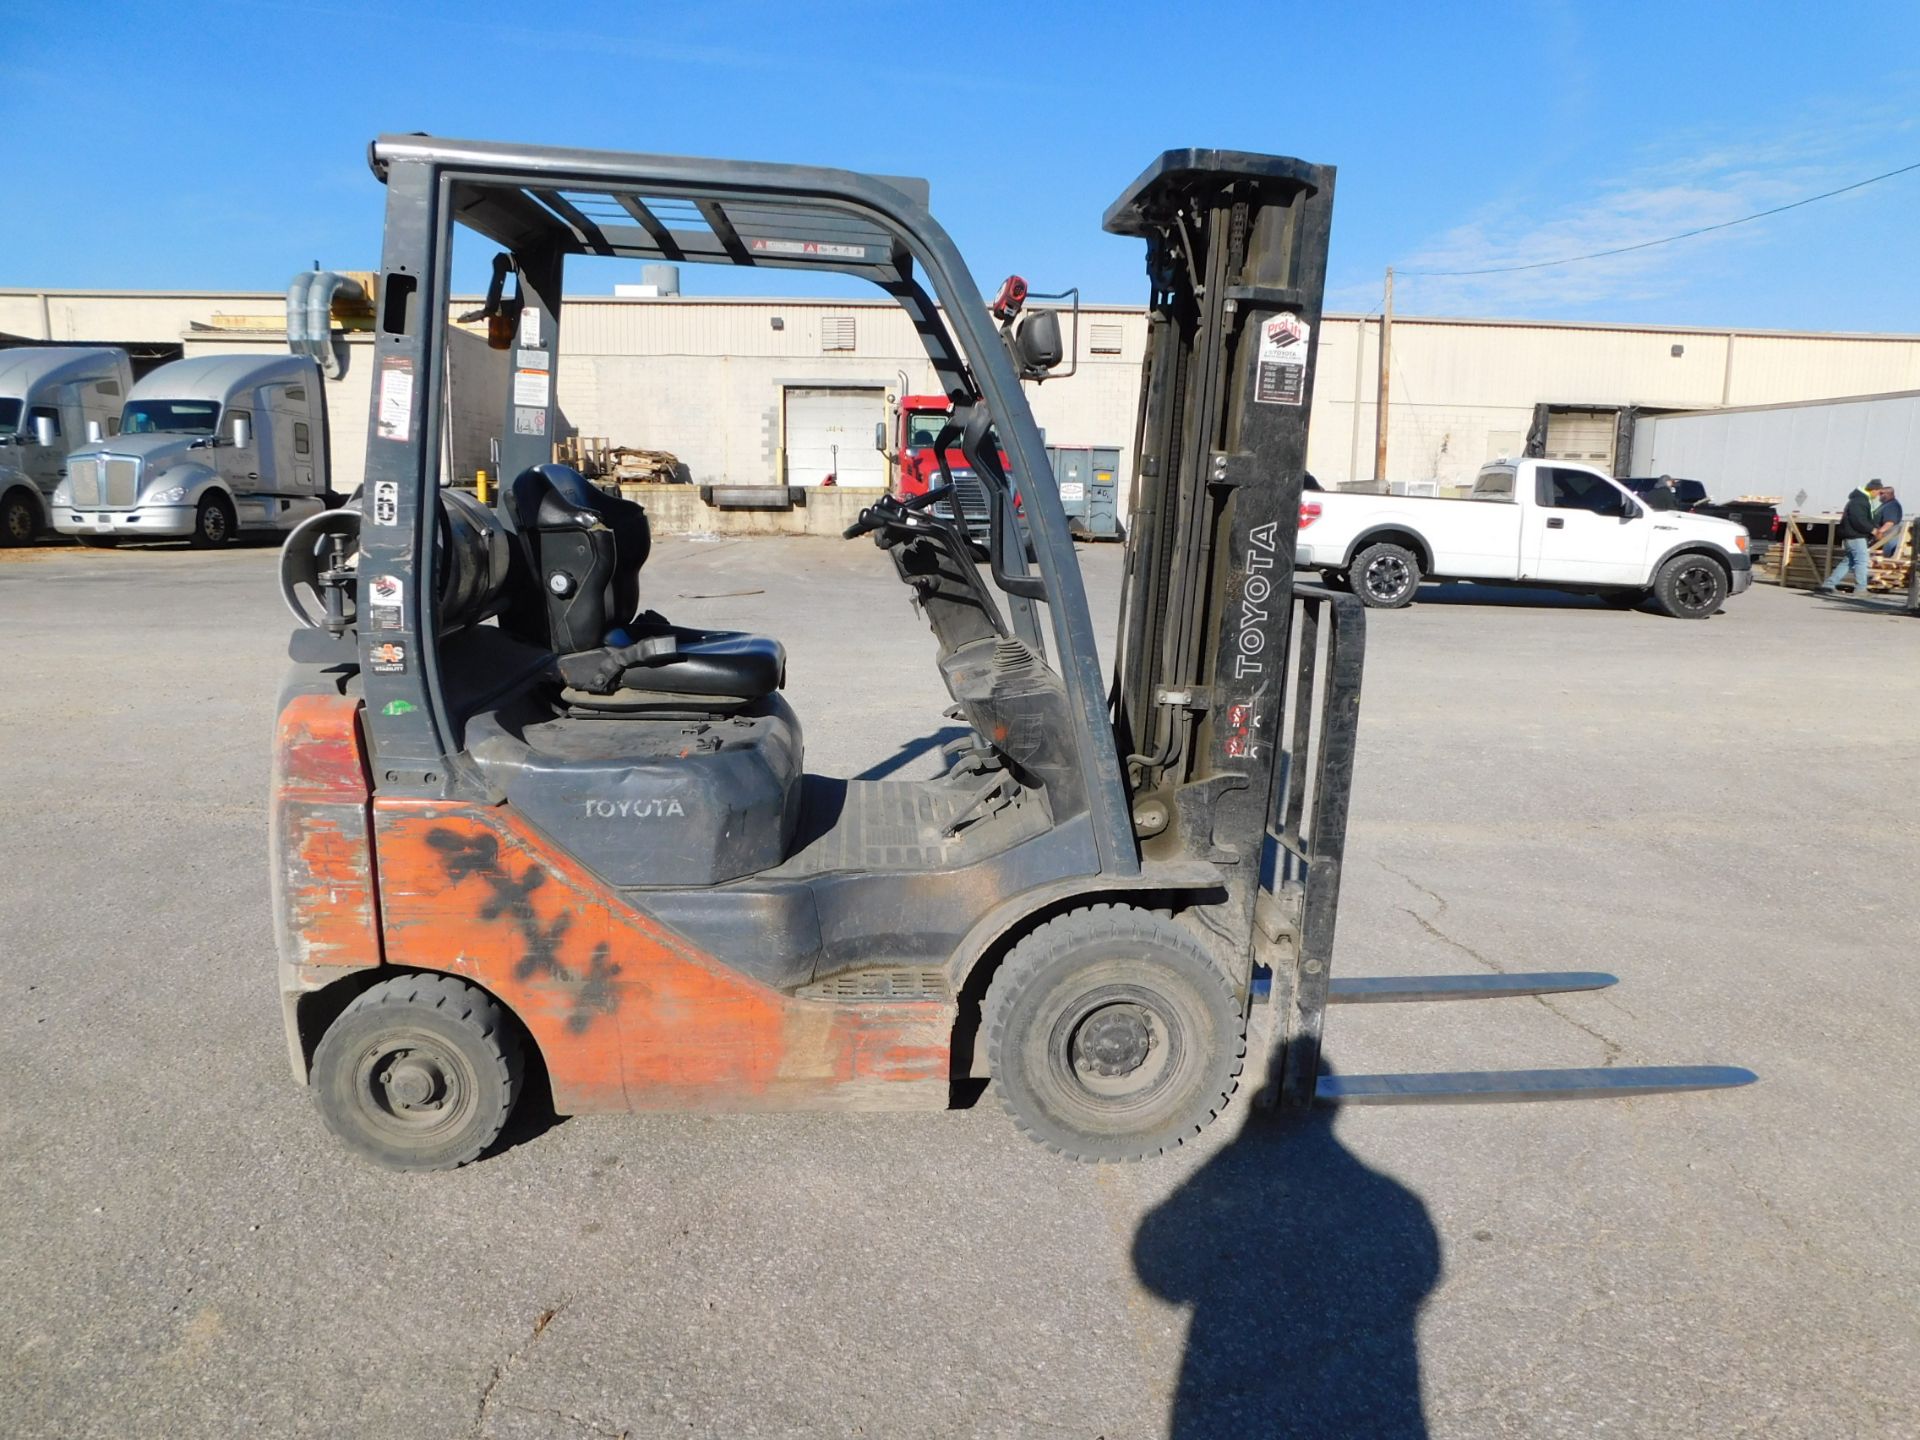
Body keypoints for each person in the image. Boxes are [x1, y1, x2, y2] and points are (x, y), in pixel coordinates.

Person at [1815, 480, 1893, 595]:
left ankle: (1829, 585)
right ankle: (1860, 588)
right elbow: (1859, 520)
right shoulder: (1860, 502)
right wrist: (1873, 530)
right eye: (1879, 492)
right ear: (1873, 490)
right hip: (1856, 536)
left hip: (1852, 536)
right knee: (1862, 561)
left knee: (1848, 562)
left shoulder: (1860, 500)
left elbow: (1864, 519)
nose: (1878, 495)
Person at [1874, 485, 1904, 558]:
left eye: (1881, 493)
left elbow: (1890, 522)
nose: (1879, 495)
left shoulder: (1892, 505)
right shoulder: (1886, 505)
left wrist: (1880, 532)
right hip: (1882, 539)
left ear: (1888, 494)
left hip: (1886, 539)